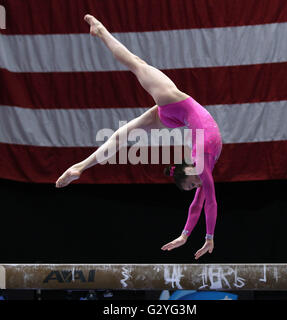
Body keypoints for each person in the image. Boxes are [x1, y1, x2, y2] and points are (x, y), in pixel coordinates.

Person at [55, 15, 222, 259]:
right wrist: (207, 237)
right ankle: (101, 30)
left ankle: (80, 166)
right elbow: (210, 203)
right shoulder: (201, 163)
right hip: (173, 101)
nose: (197, 186)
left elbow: (198, 203)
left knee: (123, 136)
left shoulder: (201, 165)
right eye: (193, 185)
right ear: (187, 171)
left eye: (193, 185)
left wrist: (186, 235)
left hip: (176, 116)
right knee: (135, 63)